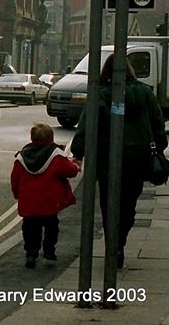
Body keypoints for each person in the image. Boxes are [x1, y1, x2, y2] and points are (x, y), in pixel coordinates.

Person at [70, 56, 167, 268]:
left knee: (108, 203)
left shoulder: (101, 95)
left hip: (106, 158)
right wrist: (159, 145)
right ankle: (120, 241)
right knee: (129, 204)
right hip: (137, 157)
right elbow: (157, 122)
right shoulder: (145, 93)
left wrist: (78, 152)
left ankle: (113, 244)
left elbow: (86, 125)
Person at [11, 123, 80, 268]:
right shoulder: (56, 156)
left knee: (30, 229)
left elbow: (15, 179)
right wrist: (75, 165)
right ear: (51, 138)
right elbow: (71, 172)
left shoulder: (21, 157)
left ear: (32, 138)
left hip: (29, 203)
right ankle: (49, 252)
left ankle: (31, 254)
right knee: (51, 227)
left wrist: (17, 194)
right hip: (49, 203)